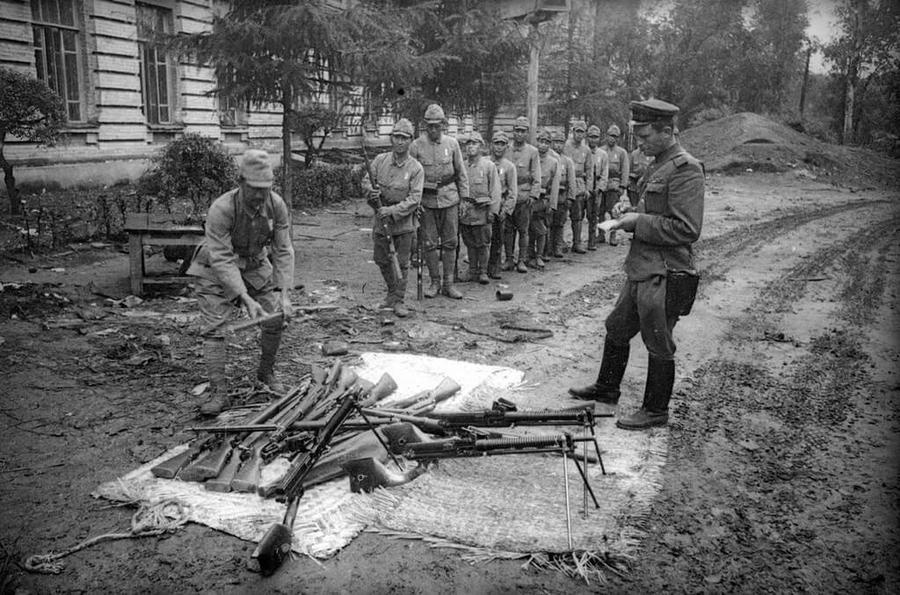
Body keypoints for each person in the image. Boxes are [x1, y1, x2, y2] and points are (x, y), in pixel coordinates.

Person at [568, 99, 704, 430]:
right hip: (641, 267)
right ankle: (607, 388)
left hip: (664, 270)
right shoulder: (658, 164)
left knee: (658, 338)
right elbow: (652, 208)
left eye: (645, 136)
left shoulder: (686, 169)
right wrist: (628, 210)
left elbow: (687, 228)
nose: (639, 144)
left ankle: (655, 410)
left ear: (667, 132)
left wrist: (637, 222)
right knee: (617, 326)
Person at [187, 149, 295, 417]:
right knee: (215, 328)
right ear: (241, 182)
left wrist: (284, 294)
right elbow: (222, 259)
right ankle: (218, 392)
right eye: (254, 188)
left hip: (255, 264)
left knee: (274, 318)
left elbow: (283, 250)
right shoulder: (222, 208)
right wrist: (244, 298)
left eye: (265, 189)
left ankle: (265, 372)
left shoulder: (276, 205)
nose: (260, 195)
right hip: (214, 267)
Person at [361, 118, 424, 318]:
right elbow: (366, 181)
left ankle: (399, 300)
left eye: (404, 138)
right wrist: (370, 192)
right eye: (396, 137)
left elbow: (414, 199)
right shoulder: (380, 161)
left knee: (402, 264)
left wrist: (393, 211)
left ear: (410, 141)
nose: (400, 141)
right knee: (381, 259)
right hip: (381, 220)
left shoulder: (415, 168)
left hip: (403, 224)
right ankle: (391, 291)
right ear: (391, 138)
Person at [409, 103, 470, 299]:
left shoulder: (452, 144)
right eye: (430, 125)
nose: (433, 129)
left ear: (443, 125)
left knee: (451, 243)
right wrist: (414, 202)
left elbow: (461, 172)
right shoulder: (416, 146)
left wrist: (464, 199)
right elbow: (410, 176)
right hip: (426, 202)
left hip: (450, 199)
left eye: (437, 125)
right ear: (425, 125)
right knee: (429, 243)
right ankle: (434, 282)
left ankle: (448, 284)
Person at [458, 131, 501, 283]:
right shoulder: (462, 166)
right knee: (469, 243)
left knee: (483, 243)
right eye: (468, 143)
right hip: (466, 212)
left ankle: (483, 271)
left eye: (474, 143)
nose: (471, 146)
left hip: (482, 212)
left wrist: (493, 211)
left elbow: (495, 190)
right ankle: (472, 270)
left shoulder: (488, 166)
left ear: (481, 146)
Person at [503, 116, 541, 274]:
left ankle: (522, 260)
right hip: (508, 196)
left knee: (523, 230)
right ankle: (509, 259)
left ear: (527, 133)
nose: (519, 134)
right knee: (508, 230)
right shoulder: (506, 149)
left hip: (524, 196)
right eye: (517, 130)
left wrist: (533, 195)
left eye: (523, 131)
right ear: (513, 131)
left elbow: (537, 176)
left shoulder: (533, 152)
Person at [487, 130, 518, 279]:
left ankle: (495, 267)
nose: (499, 147)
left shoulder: (509, 167)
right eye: (496, 143)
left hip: (500, 206)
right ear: (491, 145)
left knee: (497, 238)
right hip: (484, 205)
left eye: (502, 144)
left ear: (506, 147)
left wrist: (506, 210)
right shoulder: (485, 162)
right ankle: (479, 267)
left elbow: (512, 191)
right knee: (481, 238)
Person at [528, 128, 560, 269]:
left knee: (541, 228)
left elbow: (555, 185)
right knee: (528, 229)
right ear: (537, 142)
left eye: (546, 142)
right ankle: (529, 255)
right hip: (529, 198)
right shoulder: (531, 157)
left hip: (543, 200)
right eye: (541, 141)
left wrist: (552, 204)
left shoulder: (553, 162)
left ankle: (540, 255)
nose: (543, 145)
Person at [563, 120, 594, 254]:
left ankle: (577, 243)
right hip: (564, 183)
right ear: (573, 131)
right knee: (561, 215)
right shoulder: (565, 146)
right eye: (577, 131)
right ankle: (559, 242)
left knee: (578, 216)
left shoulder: (586, 150)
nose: (579, 134)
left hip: (579, 184)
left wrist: (588, 188)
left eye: (582, 132)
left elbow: (589, 171)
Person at [600, 124, 631, 246]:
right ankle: (601, 234)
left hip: (614, 185)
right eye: (611, 136)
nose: (613, 138)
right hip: (602, 184)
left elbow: (625, 170)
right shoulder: (601, 150)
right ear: (606, 136)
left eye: (615, 136)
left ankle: (613, 235)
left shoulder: (622, 152)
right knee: (600, 211)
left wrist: (622, 186)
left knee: (614, 212)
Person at [548, 130, 576, 258]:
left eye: (560, 143)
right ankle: (548, 248)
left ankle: (558, 247)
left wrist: (570, 197)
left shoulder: (567, 161)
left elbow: (571, 181)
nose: (558, 145)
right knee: (548, 223)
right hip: (549, 196)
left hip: (561, 197)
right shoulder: (548, 159)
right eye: (556, 142)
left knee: (559, 223)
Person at [586, 125, 609, 250]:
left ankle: (592, 241)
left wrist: (599, 188)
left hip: (597, 188)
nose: (593, 140)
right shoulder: (584, 151)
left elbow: (605, 173)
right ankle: (576, 241)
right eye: (591, 137)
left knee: (594, 215)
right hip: (585, 187)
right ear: (587, 137)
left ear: (599, 138)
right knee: (580, 215)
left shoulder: (603, 154)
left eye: (596, 137)